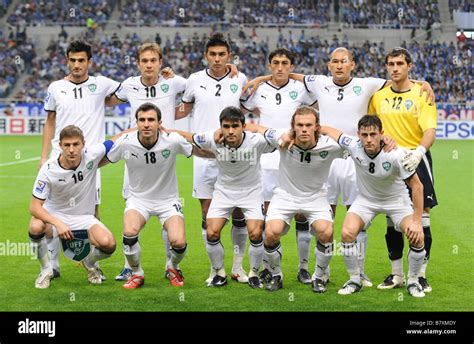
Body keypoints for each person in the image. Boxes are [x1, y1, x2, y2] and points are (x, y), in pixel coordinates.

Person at [244, 46, 434, 287]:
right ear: (329, 65)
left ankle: (360, 272)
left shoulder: (368, 84)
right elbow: (289, 74)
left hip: (356, 158)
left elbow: (397, 76)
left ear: (352, 64)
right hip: (327, 157)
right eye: (334, 61)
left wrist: (422, 82)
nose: (339, 65)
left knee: (359, 218)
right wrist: (262, 78)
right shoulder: (319, 82)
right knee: (326, 217)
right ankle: (323, 271)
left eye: (344, 61)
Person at [104, 103, 210, 288]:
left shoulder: (173, 140)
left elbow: (199, 151)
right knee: (129, 234)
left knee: (178, 242)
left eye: (151, 120)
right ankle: (137, 273)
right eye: (142, 120)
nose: (146, 124)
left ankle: (172, 266)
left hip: (168, 201)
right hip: (138, 200)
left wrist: (225, 154)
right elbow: (103, 160)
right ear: (136, 123)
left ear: (159, 122)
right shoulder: (126, 142)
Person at [320, 115, 427, 298]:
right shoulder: (353, 145)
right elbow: (330, 131)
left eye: (373, 134)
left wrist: (417, 221)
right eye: (364, 135)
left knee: (417, 236)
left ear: (381, 134)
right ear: (358, 135)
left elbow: (417, 186)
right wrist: (302, 131)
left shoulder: (396, 154)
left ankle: (413, 281)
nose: (368, 139)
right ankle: (354, 279)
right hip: (366, 200)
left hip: (396, 201)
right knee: (347, 233)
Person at [106, 42, 186, 281]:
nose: (149, 65)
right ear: (138, 64)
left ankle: (170, 265)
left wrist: (233, 69)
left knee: (168, 217)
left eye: (153, 60)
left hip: (163, 151)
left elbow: (202, 87)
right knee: (131, 213)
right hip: (134, 152)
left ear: (161, 63)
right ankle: (130, 266)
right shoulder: (129, 85)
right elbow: (108, 100)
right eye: (144, 61)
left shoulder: (173, 83)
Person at [40, 40, 120, 278]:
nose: (76, 64)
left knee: (93, 214)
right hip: (59, 161)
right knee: (52, 213)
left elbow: (128, 91)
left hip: (90, 162)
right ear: (67, 61)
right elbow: (50, 121)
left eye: (81, 60)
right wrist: (44, 157)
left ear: (89, 62)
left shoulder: (101, 84)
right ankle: (53, 266)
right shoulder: (56, 87)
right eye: (72, 60)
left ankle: (91, 263)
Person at [175, 33, 250, 284]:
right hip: (204, 155)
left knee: (239, 212)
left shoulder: (239, 79)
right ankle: (216, 269)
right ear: (206, 56)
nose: (217, 59)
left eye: (222, 55)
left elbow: (254, 103)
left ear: (229, 56)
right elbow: (183, 109)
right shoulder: (194, 80)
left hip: (235, 156)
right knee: (208, 214)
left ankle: (238, 266)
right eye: (213, 55)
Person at [241, 48, 318, 285]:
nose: (280, 67)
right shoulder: (259, 90)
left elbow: (316, 97)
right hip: (266, 161)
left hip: (295, 159)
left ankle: (304, 268)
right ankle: (269, 267)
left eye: (285, 63)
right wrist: (260, 80)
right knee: (268, 217)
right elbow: (242, 102)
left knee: (302, 214)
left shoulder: (301, 90)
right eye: (275, 63)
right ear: (270, 65)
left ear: (292, 66)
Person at [174, 107, 274, 288]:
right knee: (212, 232)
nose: (230, 131)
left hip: (251, 192)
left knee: (256, 232)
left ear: (243, 126)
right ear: (220, 127)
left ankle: (253, 272)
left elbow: (278, 138)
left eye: (235, 126)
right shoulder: (213, 139)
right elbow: (188, 136)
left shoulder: (256, 141)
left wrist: (255, 127)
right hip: (223, 192)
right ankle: (219, 272)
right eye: (226, 126)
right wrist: (163, 130)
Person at [246, 106, 343, 293]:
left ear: (317, 127)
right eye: (300, 125)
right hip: (285, 196)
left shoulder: (330, 146)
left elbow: (358, 144)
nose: (304, 129)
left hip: (316, 197)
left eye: (309, 125)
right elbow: (255, 128)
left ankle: (320, 276)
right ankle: (276, 275)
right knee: (271, 232)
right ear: (293, 127)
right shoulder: (282, 138)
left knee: (327, 232)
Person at [368, 48, 437, 293]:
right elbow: (371, 126)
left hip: (416, 157)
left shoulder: (422, 94)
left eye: (399, 63)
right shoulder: (378, 96)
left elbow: (430, 130)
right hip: (389, 160)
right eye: (390, 64)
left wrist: (418, 151)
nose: (395, 68)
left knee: (423, 218)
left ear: (409, 66)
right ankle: (396, 273)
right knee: (392, 219)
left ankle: (420, 275)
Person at [29, 125, 116, 289]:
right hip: (55, 216)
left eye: (75, 144)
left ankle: (90, 263)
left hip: (84, 217)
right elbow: (34, 207)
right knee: (35, 226)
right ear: (60, 145)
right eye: (67, 145)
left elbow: (116, 140)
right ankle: (46, 270)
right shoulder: (48, 169)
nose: (71, 150)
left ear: (83, 143)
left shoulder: (91, 155)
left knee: (109, 244)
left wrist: (141, 129)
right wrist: (58, 223)